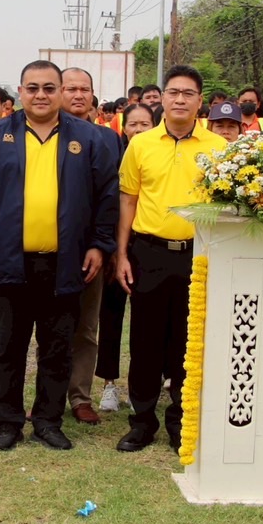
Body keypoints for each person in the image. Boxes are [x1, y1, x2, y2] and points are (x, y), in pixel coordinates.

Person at [0, 61, 117, 451]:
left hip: (65, 263)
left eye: (50, 88)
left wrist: (99, 245)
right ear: (20, 92)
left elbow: (106, 198)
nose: (41, 95)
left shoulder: (88, 137)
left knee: (57, 348)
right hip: (10, 260)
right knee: (8, 347)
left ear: (61, 91)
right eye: (33, 88)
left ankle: (48, 421)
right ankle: (8, 421)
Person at [114, 65, 226, 453]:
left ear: (200, 101)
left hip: (198, 255)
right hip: (148, 253)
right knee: (144, 342)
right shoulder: (141, 144)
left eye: (188, 93)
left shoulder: (218, 148)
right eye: (173, 92)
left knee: (188, 341)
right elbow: (128, 200)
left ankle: (182, 419)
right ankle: (142, 421)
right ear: (161, 98)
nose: (180, 99)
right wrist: (121, 253)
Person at [59, 67, 120, 425]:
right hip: (48, 246)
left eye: (85, 89)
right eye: (71, 88)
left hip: (90, 247)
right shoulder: (41, 133)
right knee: (50, 326)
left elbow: (112, 196)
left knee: (85, 326)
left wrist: (104, 245)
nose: (78, 95)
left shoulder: (107, 138)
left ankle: (80, 396)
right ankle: (48, 395)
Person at [98, 102, 156, 413]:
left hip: (148, 248)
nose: (138, 130)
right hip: (114, 247)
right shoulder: (110, 156)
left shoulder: (158, 157)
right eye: (132, 124)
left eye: (145, 124)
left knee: (147, 322)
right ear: (123, 127)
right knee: (110, 317)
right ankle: (109, 383)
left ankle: (144, 386)